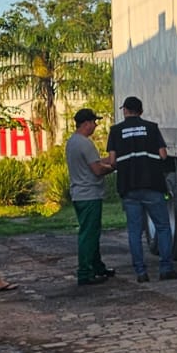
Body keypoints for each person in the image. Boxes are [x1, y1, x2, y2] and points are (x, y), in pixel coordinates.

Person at [107, 95, 177, 282]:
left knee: (134, 231)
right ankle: (166, 269)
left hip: (129, 188)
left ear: (125, 111)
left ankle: (141, 273)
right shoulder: (151, 128)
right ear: (141, 111)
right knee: (163, 228)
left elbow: (111, 161)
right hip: (153, 186)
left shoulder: (115, 131)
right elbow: (163, 155)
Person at [66, 108, 116, 286]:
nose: (95, 126)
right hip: (89, 194)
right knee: (89, 235)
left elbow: (93, 162)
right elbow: (97, 170)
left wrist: (107, 159)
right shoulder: (85, 144)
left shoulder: (72, 142)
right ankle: (85, 272)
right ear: (86, 123)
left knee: (91, 232)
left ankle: (97, 266)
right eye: (94, 122)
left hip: (79, 193)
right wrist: (113, 167)